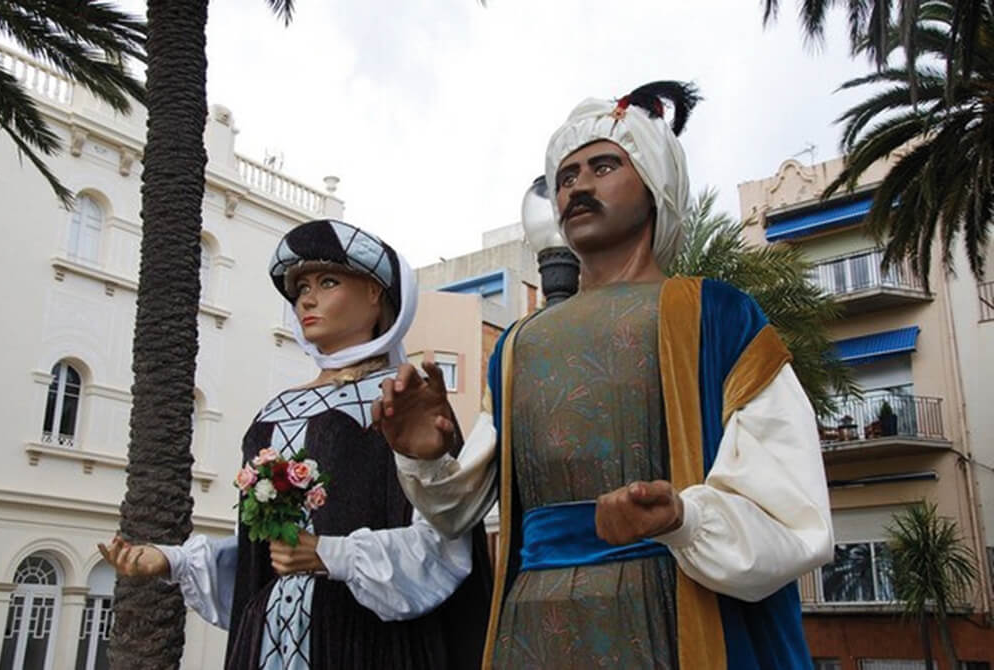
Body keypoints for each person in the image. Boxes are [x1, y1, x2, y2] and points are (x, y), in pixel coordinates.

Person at [374, 82, 834, 670]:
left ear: (654, 185)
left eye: (604, 167)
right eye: (566, 177)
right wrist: (427, 459)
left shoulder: (718, 315)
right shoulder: (516, 345)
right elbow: (459, 513)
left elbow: (791, 510)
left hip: (669, 618)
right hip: (532, 630)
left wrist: (683, 517)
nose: (578, 187)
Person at [99, 219, 491, 669]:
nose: (307, 298)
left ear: (375, 293)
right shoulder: (273, 413)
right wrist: (172, 561)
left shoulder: (405, 400)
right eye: (301, 287)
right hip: (269, 641)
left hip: (364, 646)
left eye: (328, 282)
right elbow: (259, 555)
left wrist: (330, 554)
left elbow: (444, 545)